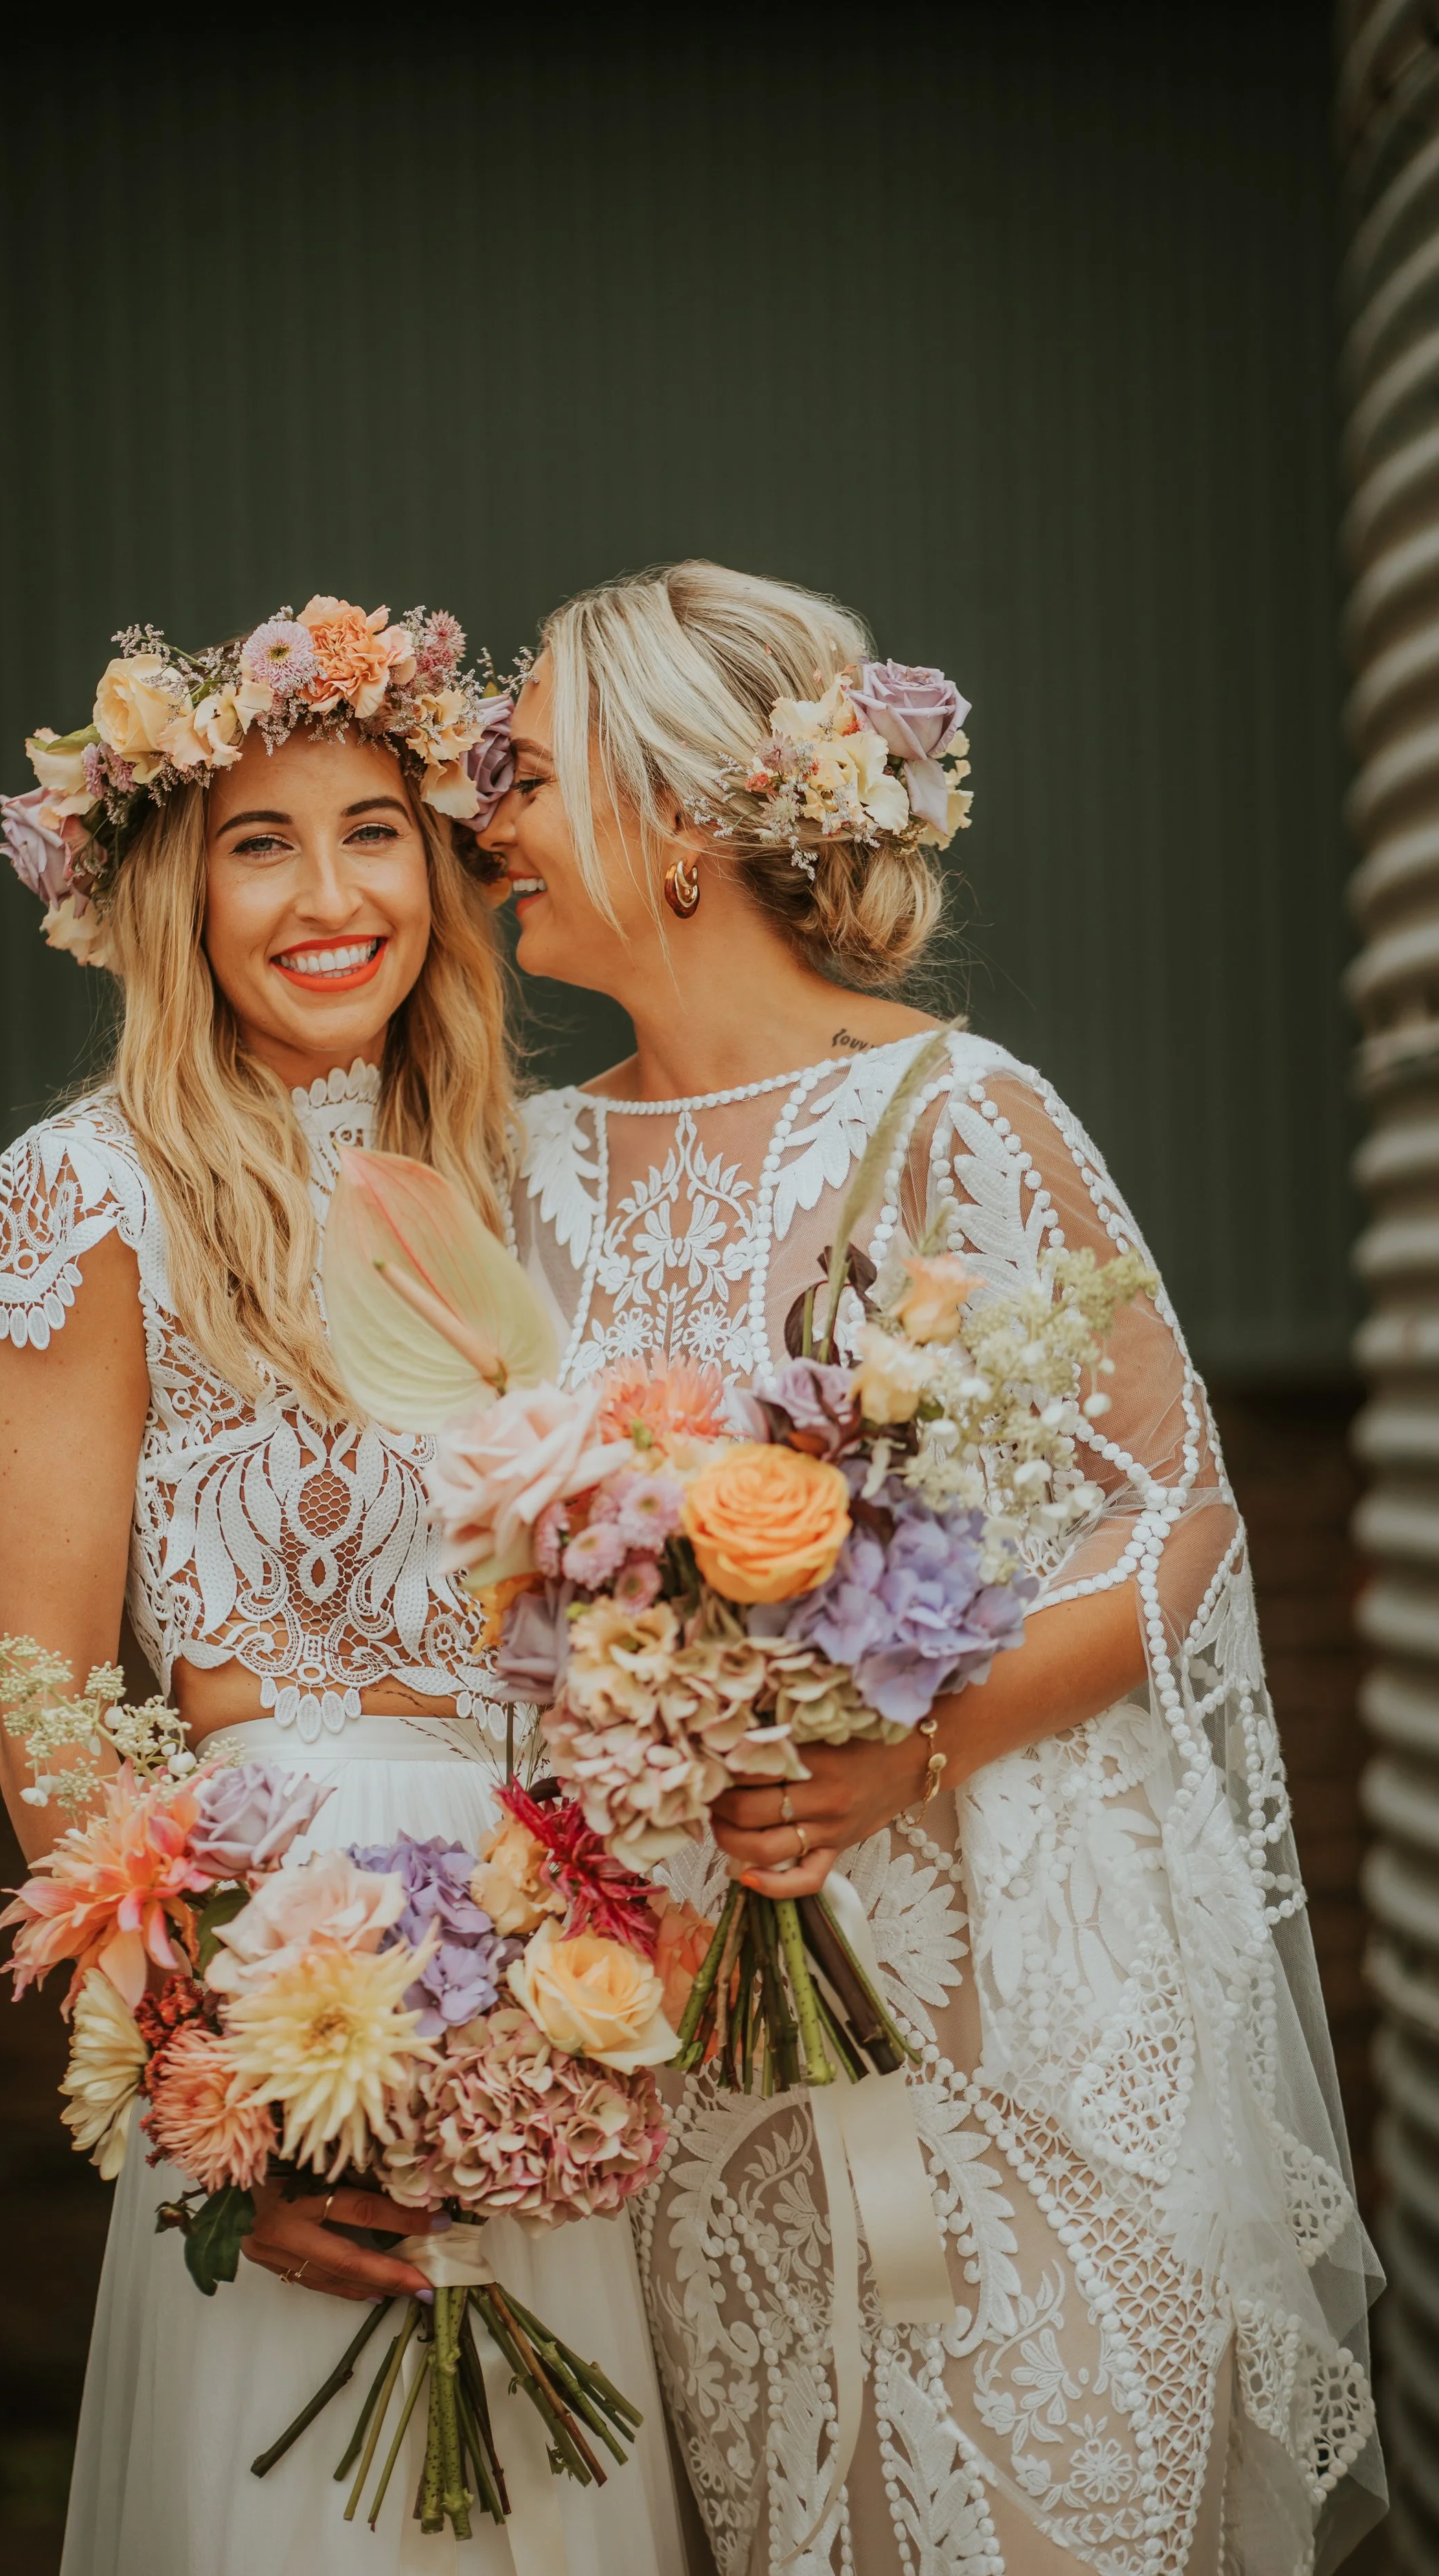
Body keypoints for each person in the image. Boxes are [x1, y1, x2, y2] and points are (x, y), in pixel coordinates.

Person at [476, 560, 1384, 2576]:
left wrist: (908, 1753)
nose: (489, 826)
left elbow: (1175, 1503)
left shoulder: (955, 1108)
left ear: (679, 817)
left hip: (991, 1981)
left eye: (525, 776)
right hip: (695, 2017)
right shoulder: (516, 1165)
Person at [0, 599, 687, 2575]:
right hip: (281, 1978)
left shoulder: (517, 1174)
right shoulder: (83, 1193)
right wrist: (215, 2103)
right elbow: (41, 1690)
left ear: (443, 868)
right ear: (174, 896)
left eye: (372, 826)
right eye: (258, 843)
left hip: (544, 1963)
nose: (327, 892)